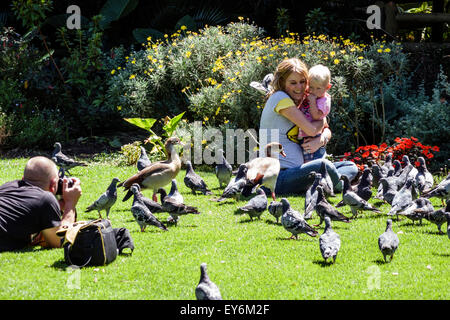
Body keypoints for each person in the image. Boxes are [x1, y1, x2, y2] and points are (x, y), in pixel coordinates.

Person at [260, 58, 358, 195]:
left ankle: (321, 182)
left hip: (299, 171)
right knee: (324, 165)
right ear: (282, 82)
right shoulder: (280, 98)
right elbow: (312, 130)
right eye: (293, 83)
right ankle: (338, 186)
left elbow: (326, 129)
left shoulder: (302, 101)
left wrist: (321, 140)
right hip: (278, 177)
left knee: (350, 166)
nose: (299, 87)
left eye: (302, 82)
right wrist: (321, 120)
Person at [0, 156, 82, 252]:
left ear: (23, 179)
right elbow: (59, 241)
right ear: (53, 185)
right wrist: (70, 204)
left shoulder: (7, 186)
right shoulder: (45, 198)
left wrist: (57, 206)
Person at [297, 64, 332, 163]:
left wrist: (312, 101)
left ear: (327, 87)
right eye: (311, 87)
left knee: (314, 162)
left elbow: (316, 116)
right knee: (304, 161)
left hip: (314, 136)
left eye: (318, 88)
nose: (313, 91)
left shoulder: (324, 101)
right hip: (303, 135)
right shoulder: (310, 93)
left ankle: (320, 176)